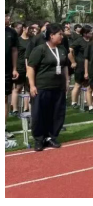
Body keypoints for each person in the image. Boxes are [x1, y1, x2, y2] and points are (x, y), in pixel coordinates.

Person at [27, 23, 69, 151]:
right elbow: (31, 67)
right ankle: (39, 139)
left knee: (56, 113)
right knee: (39, 114)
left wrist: (66, 82)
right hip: (42, 87)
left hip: (58, 87)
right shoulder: (40, 49)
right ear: (51, 35)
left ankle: (51, 136)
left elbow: (65, 66)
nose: (62, 36)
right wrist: (32, 85)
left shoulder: (62, 50)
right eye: (59, 34)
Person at [69, 25, 92, 110]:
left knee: (88, 85)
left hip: (89, 66)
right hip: (80, 65)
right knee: (78, 84)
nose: (91, 33)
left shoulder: (91, 41)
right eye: (89, 32)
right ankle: (74, 102)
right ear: (85, 33)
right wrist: (73, 62)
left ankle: (87, 102)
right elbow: (70, 50)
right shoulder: (79, 40)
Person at [11, 22, 31, 115]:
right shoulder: (18, 40)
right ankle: (15, 109)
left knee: (28, 88)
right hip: (20, 66)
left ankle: (26, 108)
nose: (31, 30)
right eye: (29, 28)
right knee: (18, 88)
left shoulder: (32, 40)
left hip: (30, 66)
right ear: (24, 28)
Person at [5, 13, 19, 145]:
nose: (8, 18)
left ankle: (3, 128)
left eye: (8, 16)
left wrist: (14, 68)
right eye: (5, 16)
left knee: (5, 99)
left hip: (7, 70)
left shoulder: (11, 32)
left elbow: (14, 51)